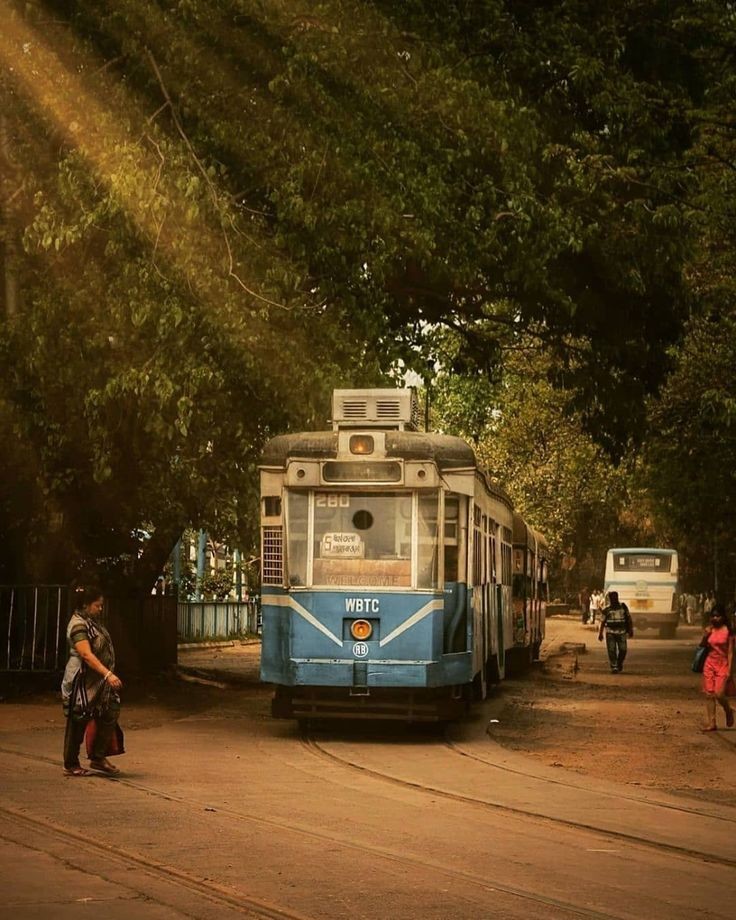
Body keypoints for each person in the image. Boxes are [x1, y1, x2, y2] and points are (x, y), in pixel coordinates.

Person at [61, 584, 124, 776]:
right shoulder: (78, 624)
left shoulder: (91, 621)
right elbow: (86, 655)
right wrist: (107, 674)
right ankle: (71, 763)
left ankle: (98, 756)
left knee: (110, 710)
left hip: (98, 682)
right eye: (98, 605)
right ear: (86, 605)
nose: (100, 608)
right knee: (78, 720)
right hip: (82, 681)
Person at [700, 603, 735, 732]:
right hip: (709, 663)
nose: (715, 618)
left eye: (718, 616)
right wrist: (705, 635)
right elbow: (702, 645)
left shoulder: (728, 632)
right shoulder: (710, 629)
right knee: (709, 694)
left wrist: (730, 670)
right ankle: (712, 722)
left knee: (719, 694)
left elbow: (731, 652)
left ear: (723, 617)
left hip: (723, 664)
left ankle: (728, 710)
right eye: (713, 616)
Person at [597, 590, 634, 673]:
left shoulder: (623, 607)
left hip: (622, 632)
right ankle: (614, 667)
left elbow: (629, 619)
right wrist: (600, 634)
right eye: (612, 598)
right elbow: (602, 622)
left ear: (617, 598)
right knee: (611, 650)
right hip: (610, 632)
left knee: (623, 650)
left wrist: (630, 629)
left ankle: (619, 663)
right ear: (610, 599)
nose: (614, 599)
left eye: (615, 598)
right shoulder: (607, 609)